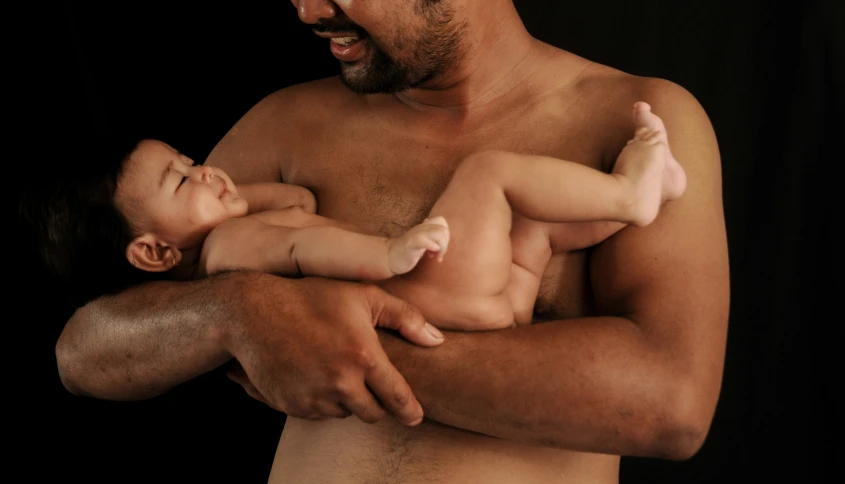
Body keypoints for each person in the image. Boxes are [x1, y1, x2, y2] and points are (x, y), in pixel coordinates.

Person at [55, 1, 730, 482]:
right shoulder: (288, 123)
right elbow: (86, 352)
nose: (309, 10)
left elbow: (668, 405)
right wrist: (231, 313)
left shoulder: (633, 120)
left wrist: (326, 350)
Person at [32, 111, 682, 332]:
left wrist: (221, 192)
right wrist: (390, 254)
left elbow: (303, 211)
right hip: (425, 284)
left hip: (482, 306)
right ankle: (628, 197)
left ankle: (645, 190)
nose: (205, 170)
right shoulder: (233, 246)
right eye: (181, 179)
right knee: (489, 174)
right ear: (153, 254)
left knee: (534, 227)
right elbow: (309, 247)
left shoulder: (232, 240)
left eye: (191, 159)